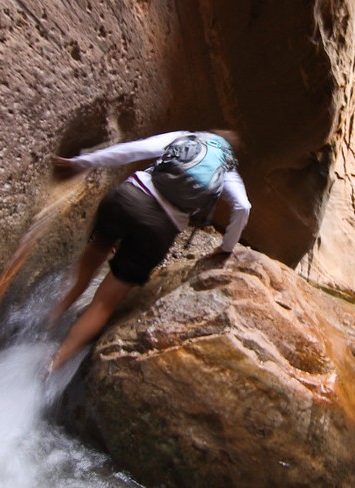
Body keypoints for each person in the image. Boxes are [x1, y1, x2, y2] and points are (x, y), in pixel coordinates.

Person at [47, 129, 251, 372]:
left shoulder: (187, 138)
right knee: (104, 302)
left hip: (127, 199)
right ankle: (54, 363)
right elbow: (243, 207)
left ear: (209, 135)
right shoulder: (227, 170)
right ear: (230, 153)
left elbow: (136, 149)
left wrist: (81, 163)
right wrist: (225, 248)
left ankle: (54, 315)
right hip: (159, 229)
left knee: (94, 256)